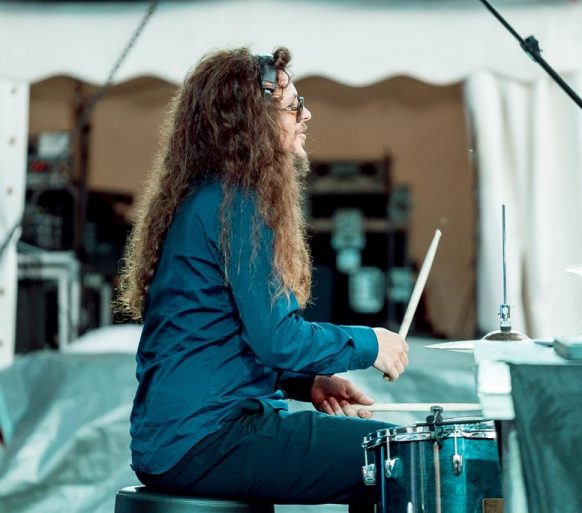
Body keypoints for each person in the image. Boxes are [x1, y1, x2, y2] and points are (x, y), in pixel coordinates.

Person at [117, 47, 409, 509]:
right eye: (294, 105)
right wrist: (371, 343)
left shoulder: (207, 197)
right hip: (209, 438)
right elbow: (278, 340)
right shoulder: (238, 205)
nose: (306, 115)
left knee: (386, 454)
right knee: (401, 457)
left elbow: (222, 336)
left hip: (178, 439)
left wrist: (306, 383)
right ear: (252, 122)